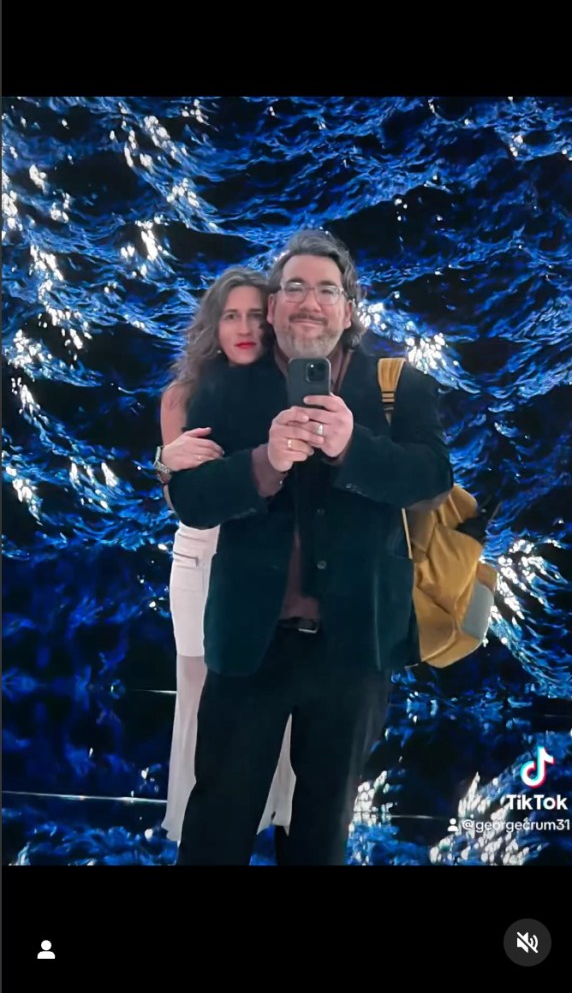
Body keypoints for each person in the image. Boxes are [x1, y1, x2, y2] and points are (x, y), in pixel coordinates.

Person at [168, 230, 454, 866]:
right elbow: (192, 499)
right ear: (273, 308)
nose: (308, 301)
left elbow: (433, 482)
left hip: (353, 651)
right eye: (293, 287)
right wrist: (264, 462)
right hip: (251, 645)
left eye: (327, 290)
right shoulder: (225, 386)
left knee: (322, 835)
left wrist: (355, 449)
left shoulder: (397, 384)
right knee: (217, 823)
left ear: (348, 311)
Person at [156, 266, 296, 849]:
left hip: (266, 557)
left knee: (280, 686)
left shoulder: (286, 387)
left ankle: (280, 819)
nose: (244, 328)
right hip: (201, 556)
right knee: (198, 690)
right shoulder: (182, 395)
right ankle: (192, 826)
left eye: (256, 316)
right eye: (231, 316)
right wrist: (168, 459)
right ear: (214, 326)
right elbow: (176, 500)